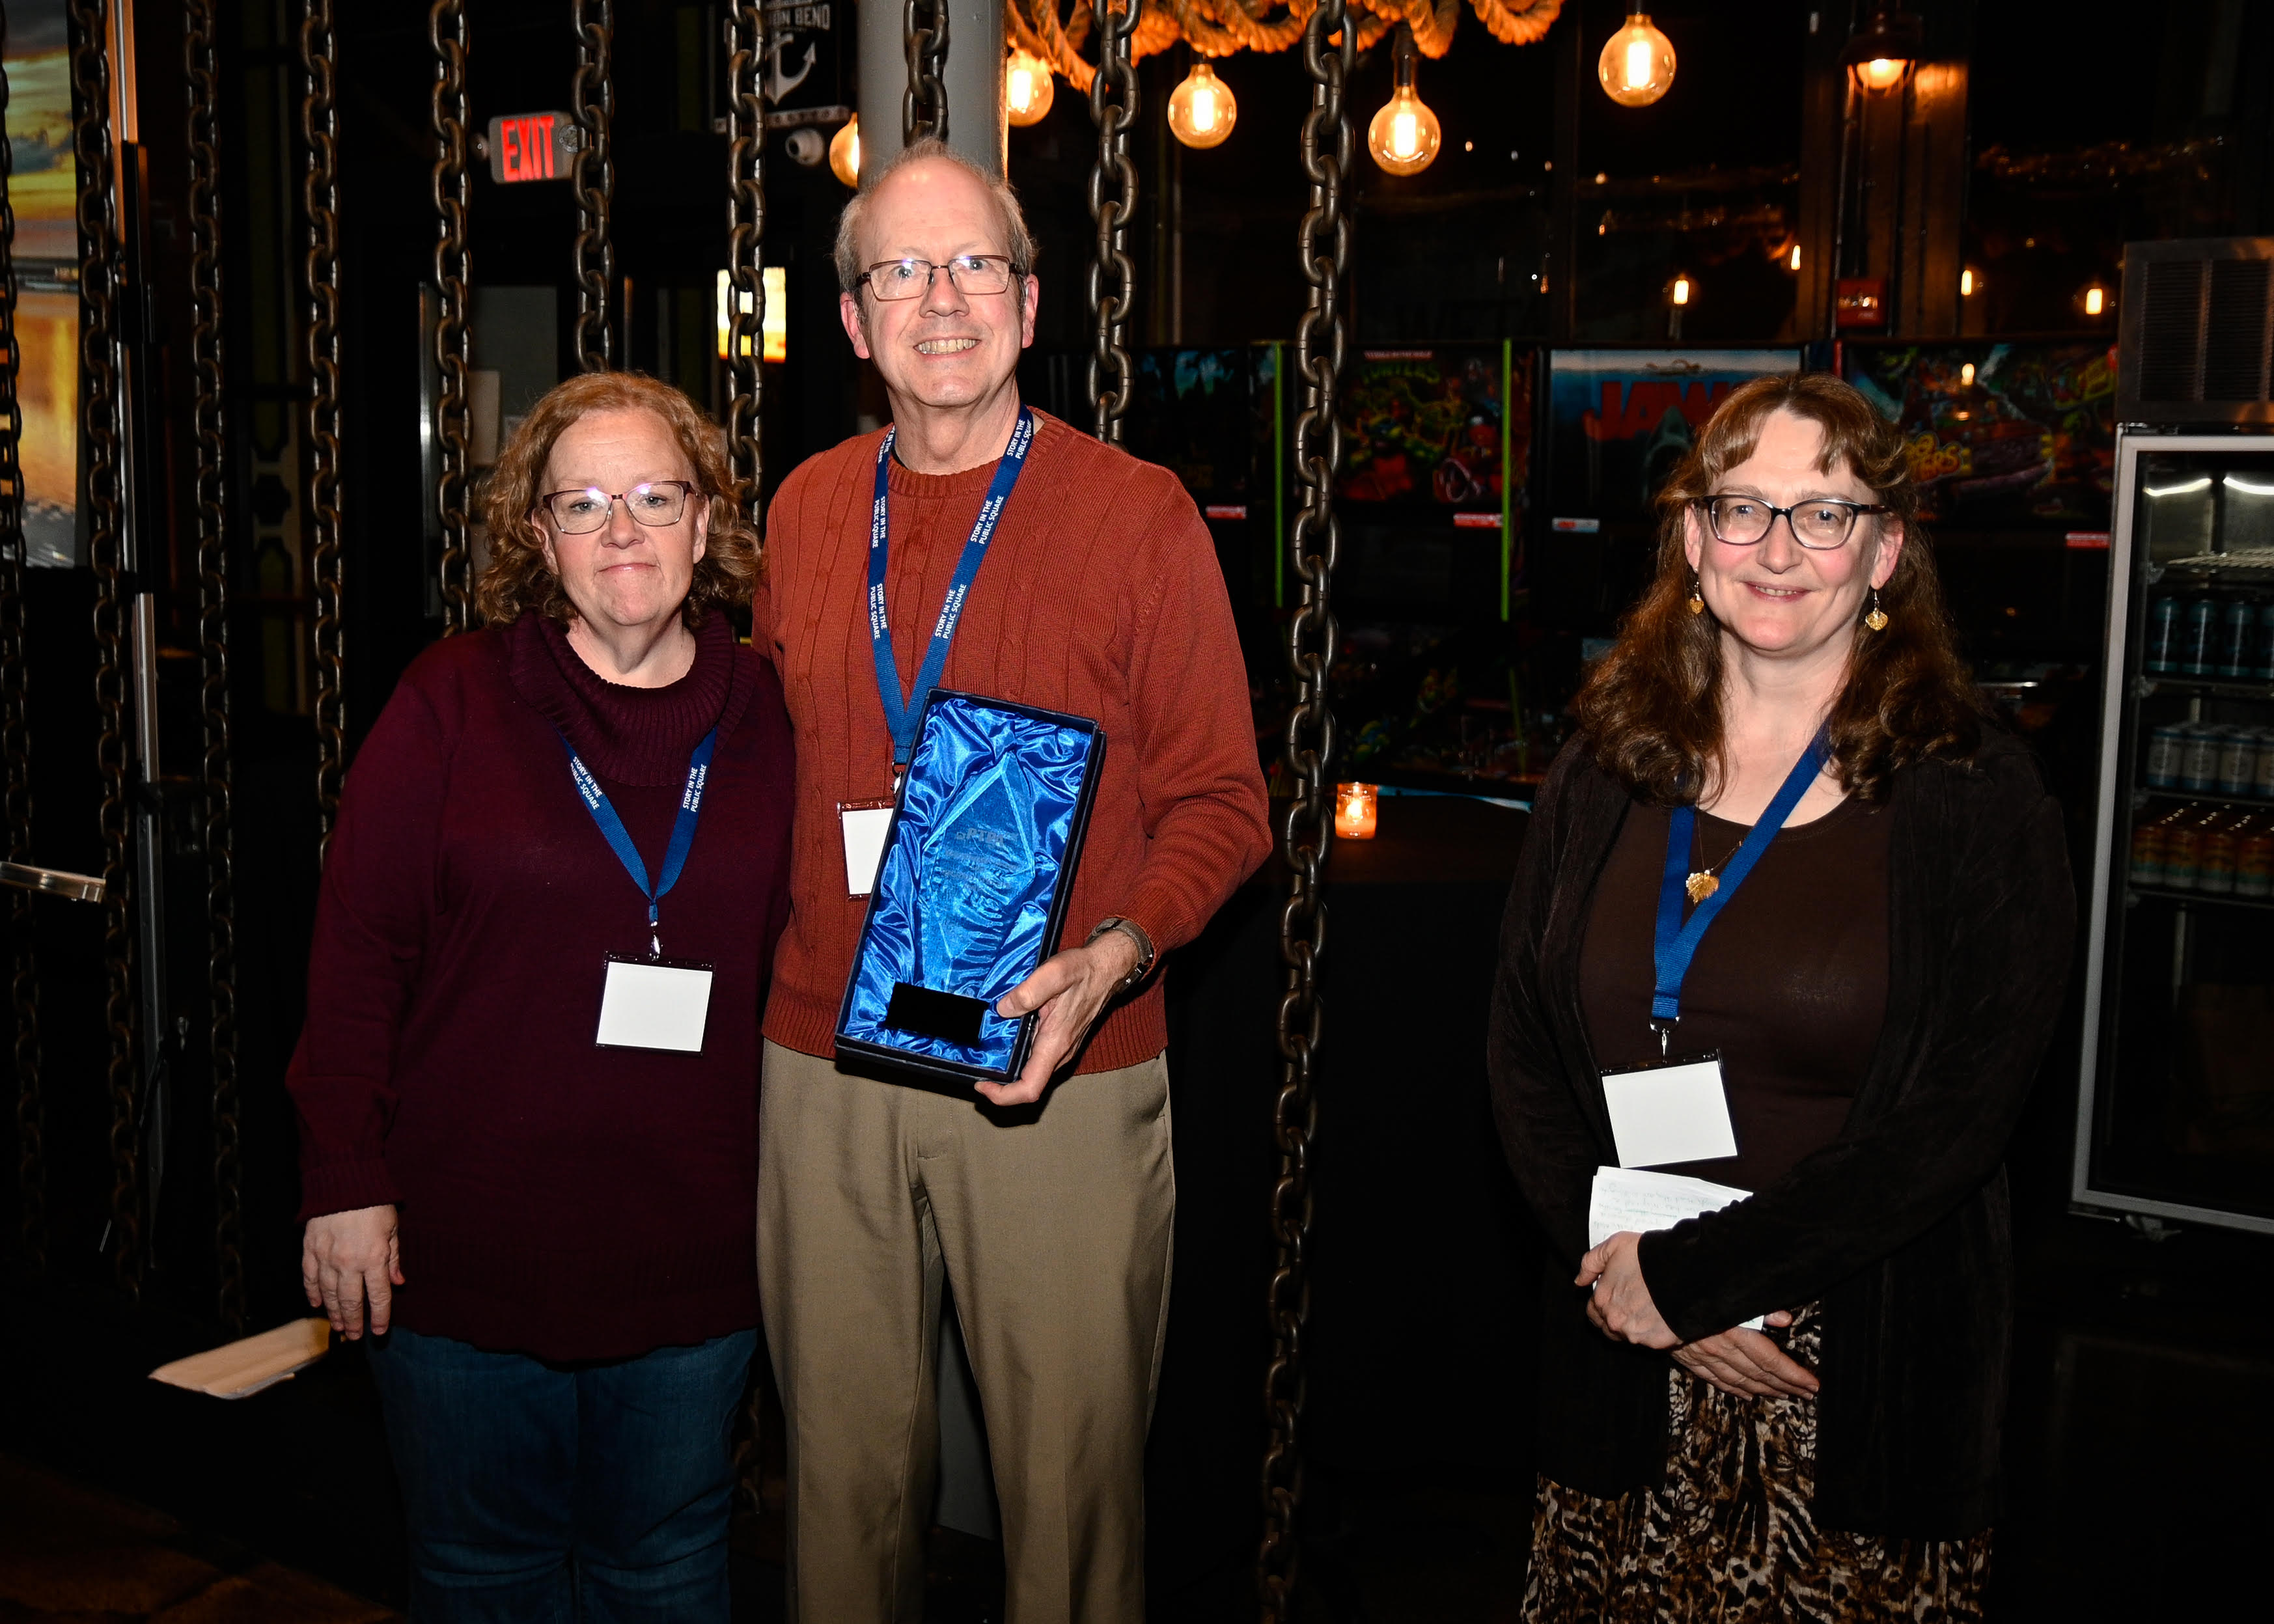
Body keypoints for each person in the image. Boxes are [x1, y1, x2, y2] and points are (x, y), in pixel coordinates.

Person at [753, 137, 1269, 1623]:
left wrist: (1115, 955)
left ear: (1030, 303)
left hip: (1059, 1061)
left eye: (975, 262)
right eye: (900, 269)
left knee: (1067, 1504)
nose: (941, 300)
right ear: (851, 322)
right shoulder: (799, 513)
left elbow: (1226, 805)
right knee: (837, 1499)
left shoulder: (1138, 516)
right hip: (820, 1063)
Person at [1488, 372, 2073, 1623]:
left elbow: (1951, 1127)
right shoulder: (1604, 765)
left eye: (1823, 515)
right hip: (1620, 1358)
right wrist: (1625, 1277)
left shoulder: (1974, 796)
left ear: (1884, 555)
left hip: (1850, 1376)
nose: (1776, 549)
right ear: (1692, 541)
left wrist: (1696, 1279)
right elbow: (1523, 1055)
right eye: (1742, 509)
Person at [290, 371, 794, 1621]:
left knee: (668, 1572)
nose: (622, 532)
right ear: (536, 536)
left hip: (695, 1264)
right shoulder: (450, 703)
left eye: (652, 497)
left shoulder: (779, 719)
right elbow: (357, 955)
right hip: (465, 1265)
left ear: (706, 517)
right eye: (582, 504)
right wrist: (346, 1179)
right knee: (480, 1577)